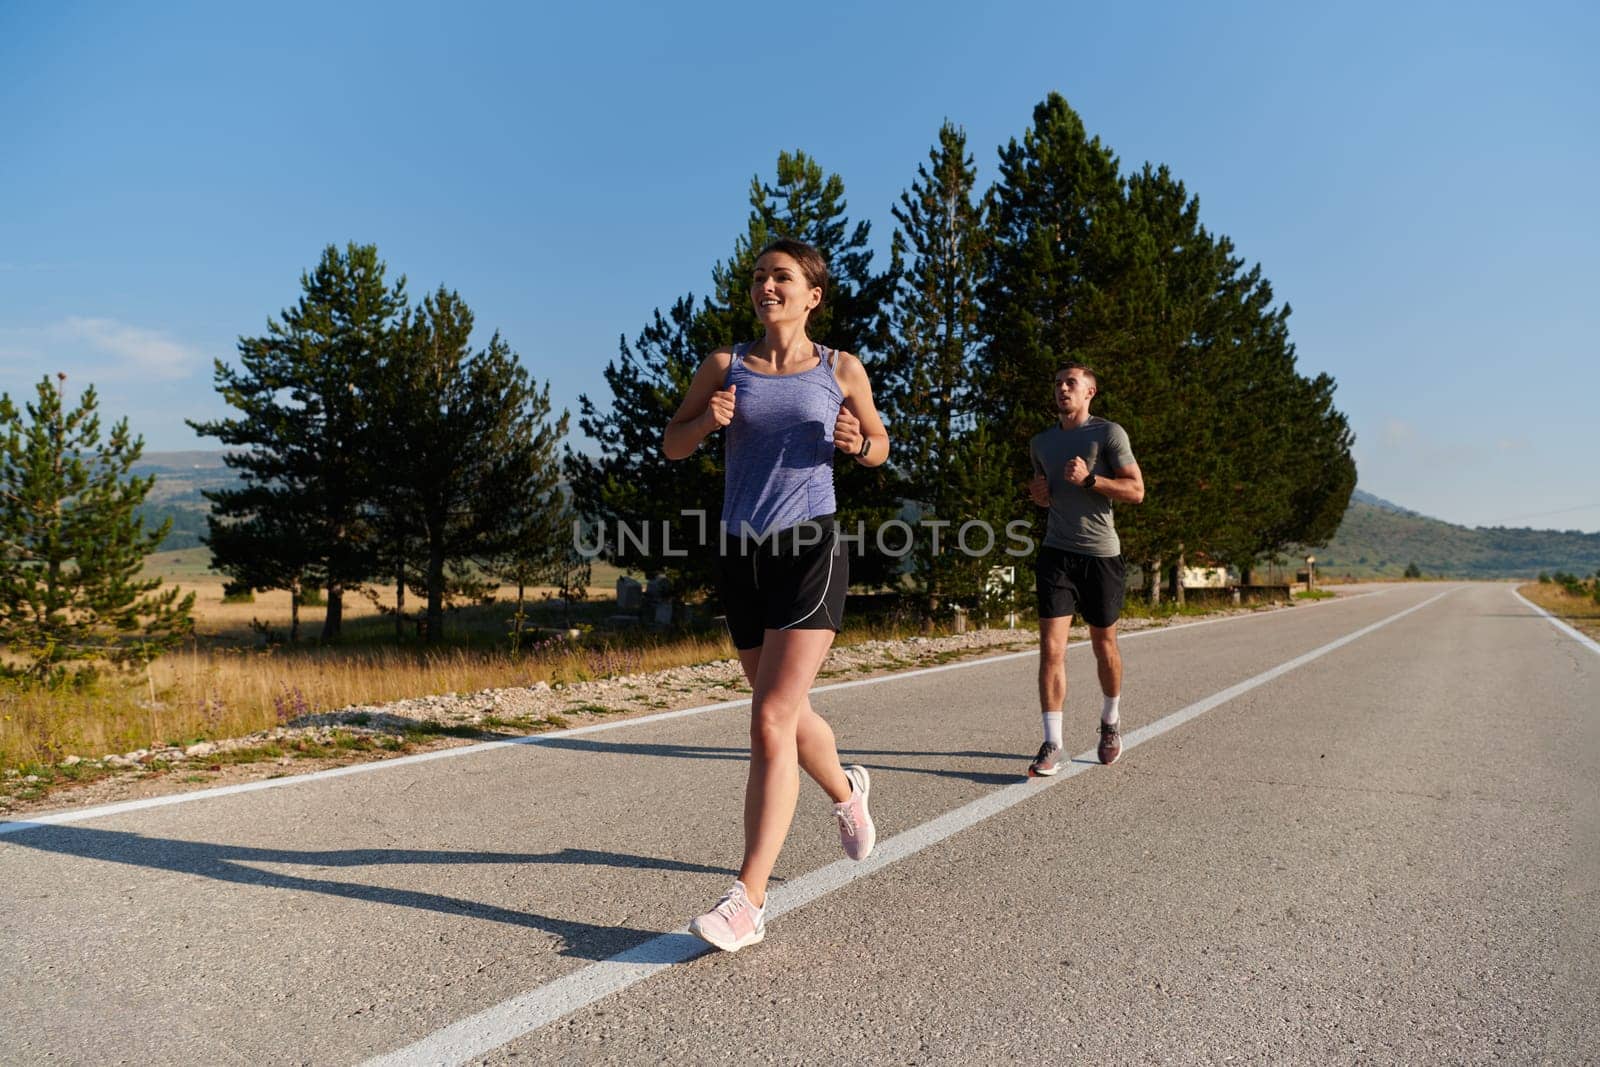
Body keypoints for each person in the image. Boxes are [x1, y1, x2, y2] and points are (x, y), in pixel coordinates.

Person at [662, 237, 890, 952]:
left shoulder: (839, 368)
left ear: (812, 294)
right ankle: (848, 792)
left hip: (810, 550)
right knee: (786, 715)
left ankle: (747, 900)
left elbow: (880, 442)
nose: (767, 286)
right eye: (760, 276)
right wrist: (707, 423)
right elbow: (672, 442)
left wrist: (857, 441)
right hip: (741, 554)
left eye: (782, 277)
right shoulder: (725, 366)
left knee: (768, 716)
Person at [1025, 362, 1144, 776]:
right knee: (1051, 649)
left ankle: (1110, 723)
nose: (1062, 389)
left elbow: (1136, 490)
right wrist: (1039, 495)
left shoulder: (1109, 434)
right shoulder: (1041, 443)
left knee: (1103, 646)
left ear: (1090, 391)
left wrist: (1092, 480)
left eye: (1070, 383)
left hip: (1101, 556)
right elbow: (1046, 495)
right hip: (1056, 553)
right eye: (1057, 383)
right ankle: (1052, 743)